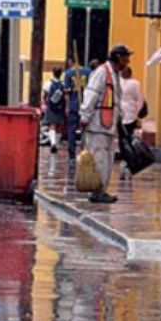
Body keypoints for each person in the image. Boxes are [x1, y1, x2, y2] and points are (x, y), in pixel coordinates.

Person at [80, 44, 132, 204]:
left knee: (107, 158)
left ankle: (101, 189)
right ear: (118, 58)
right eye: (126, 58)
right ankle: (97, 191)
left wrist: (120, 118)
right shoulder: (102, 73)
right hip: (97, 124)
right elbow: (91, 94)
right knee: (99, 158)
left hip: (108, 125)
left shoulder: (114, 74)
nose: (128, 61)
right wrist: (85, 116)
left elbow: (115, 100)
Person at [63, 59, 90, 158]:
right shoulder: (88, 72)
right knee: (85, 129)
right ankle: (85, 150)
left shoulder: (68, 73)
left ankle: (72, 153)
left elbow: (67, 92)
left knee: (72, 130)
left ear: (71, 61)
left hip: (73, 105)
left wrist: (67, 106)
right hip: (86, 104)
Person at [43, 67, 66, 154]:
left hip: (51, 106)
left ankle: (53, 143)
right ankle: (56, 143)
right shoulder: (63, 84)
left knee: (52, 125)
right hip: (60, 107)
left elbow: (45, 95)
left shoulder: (48, 83)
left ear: (53, 73)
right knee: (59, 127)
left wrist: (46, 102)